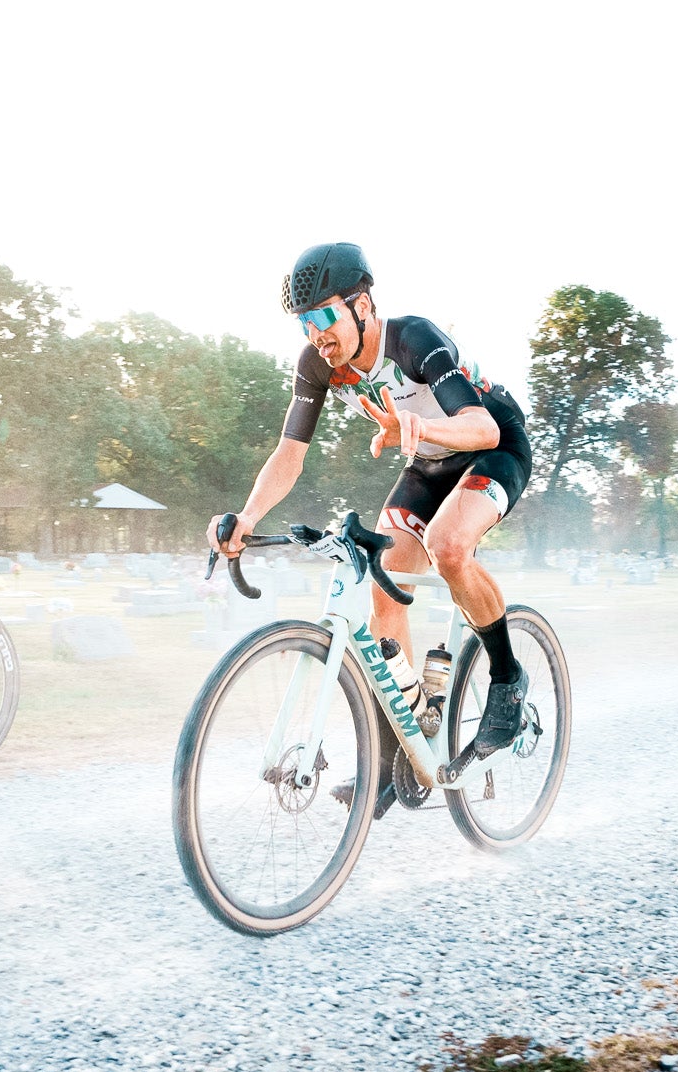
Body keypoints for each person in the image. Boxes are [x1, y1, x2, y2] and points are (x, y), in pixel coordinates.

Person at [209, 243, 534, 799]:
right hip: (426, 461)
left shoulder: (414, 340)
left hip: (491, 444)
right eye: (304, 323)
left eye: (322, 317)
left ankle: (507, 677)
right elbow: (290, 454)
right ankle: (401, 751)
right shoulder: (319, 365)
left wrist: (417, 424)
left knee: (447, 545)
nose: (315, 334)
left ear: (362, 304)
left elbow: (482, 428)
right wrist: (247, 515)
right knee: (384, 579)